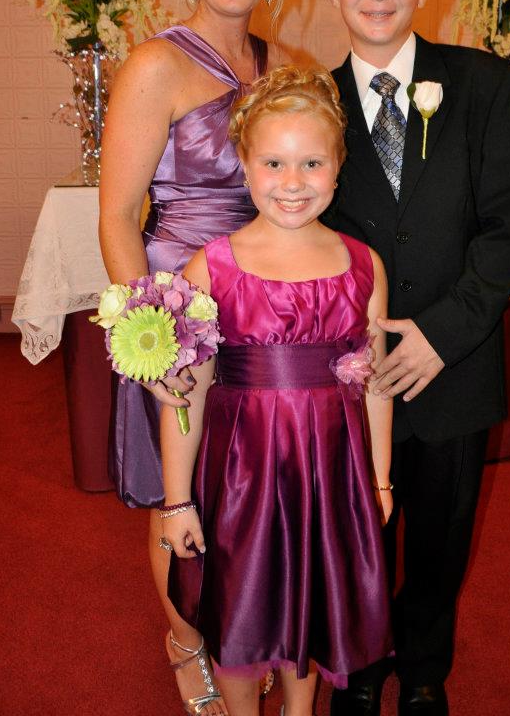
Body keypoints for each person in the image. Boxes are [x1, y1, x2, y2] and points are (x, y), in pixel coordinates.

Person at [323, 0, 510, 716]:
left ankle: (422, 671)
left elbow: (507, 226)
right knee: (355, 529)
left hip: (455, 361)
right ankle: (359, 664)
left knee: (443, 534)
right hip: (350, 369)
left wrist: (441, 335)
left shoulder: (484, 84)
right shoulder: (311, 98)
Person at [98, 0, 287, 715]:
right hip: (181, 306)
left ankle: (244, 624)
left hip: (265, 309)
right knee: (181, 491)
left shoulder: (285, 67)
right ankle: (184, 640)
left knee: (251, 486)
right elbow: (116, 217)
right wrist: (153, 339)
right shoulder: (155, 64)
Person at [160, 65, 394, 716]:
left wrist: (379, 480)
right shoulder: (212, 267)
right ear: (244, 164)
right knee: (240, 606)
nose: (293, 183)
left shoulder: (363, 264)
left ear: (338, 166)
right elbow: (186, 395)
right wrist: (177, 501)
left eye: (312, 163)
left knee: (312, 604)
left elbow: (375, 383)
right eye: (274, 163)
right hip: (244, 471)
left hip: (330, 471)